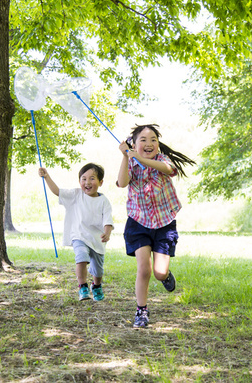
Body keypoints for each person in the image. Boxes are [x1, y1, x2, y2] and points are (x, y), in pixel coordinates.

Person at [116, 124, 196, 328]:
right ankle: (141, 310)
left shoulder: (161, 160)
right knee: (144, 269)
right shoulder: (131, 163)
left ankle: (166, 275)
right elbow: (122, 182)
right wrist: (126, 157)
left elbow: (170, 170)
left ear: (158, 145)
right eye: (143, 140)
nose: (149, 143)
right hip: (138, 222)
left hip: (164, 223)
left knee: (159, 272)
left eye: (153, 140)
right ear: (133, 144)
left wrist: (141, 159)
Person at [38, 163, 114, 302]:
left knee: (98, 270)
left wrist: (107, 233)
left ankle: (96, 286)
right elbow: (57, 191)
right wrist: (47, 176)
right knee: (81, 257)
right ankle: (82, 286)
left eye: (92, 178)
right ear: (79, 181)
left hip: (97, 240)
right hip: (79, 236)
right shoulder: (75, 195)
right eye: (83, 179)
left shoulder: (104, 201)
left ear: (100, 182)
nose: (87, 182)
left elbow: (108, 220)